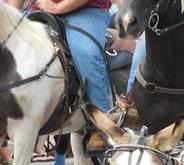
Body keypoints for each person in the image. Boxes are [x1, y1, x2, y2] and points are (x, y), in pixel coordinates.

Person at [10, 0, 113, 151]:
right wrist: (10, 16)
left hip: (85, 10)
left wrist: (58, 7)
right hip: (39, 9)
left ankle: (101, 126)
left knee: (86, 53)